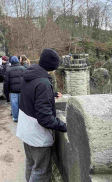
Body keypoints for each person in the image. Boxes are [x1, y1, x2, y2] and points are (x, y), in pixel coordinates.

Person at [16, 49, 67, 181]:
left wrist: (51, 95)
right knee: (41, 171)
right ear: (52, 67)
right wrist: (64, 126)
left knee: (30, 163)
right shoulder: (43, 83)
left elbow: (32, 94)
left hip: (25, 128)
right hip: (36, 135)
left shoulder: (30, 74)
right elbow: (45, 119)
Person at [4, 56, 26, 122]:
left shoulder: (8, 70)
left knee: (14, 105)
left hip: (13, 91)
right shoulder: (23, 68)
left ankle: (16, 118)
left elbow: (6, 83)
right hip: (22, 90)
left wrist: (6, 93)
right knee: (22, 104)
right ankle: (22, 117)